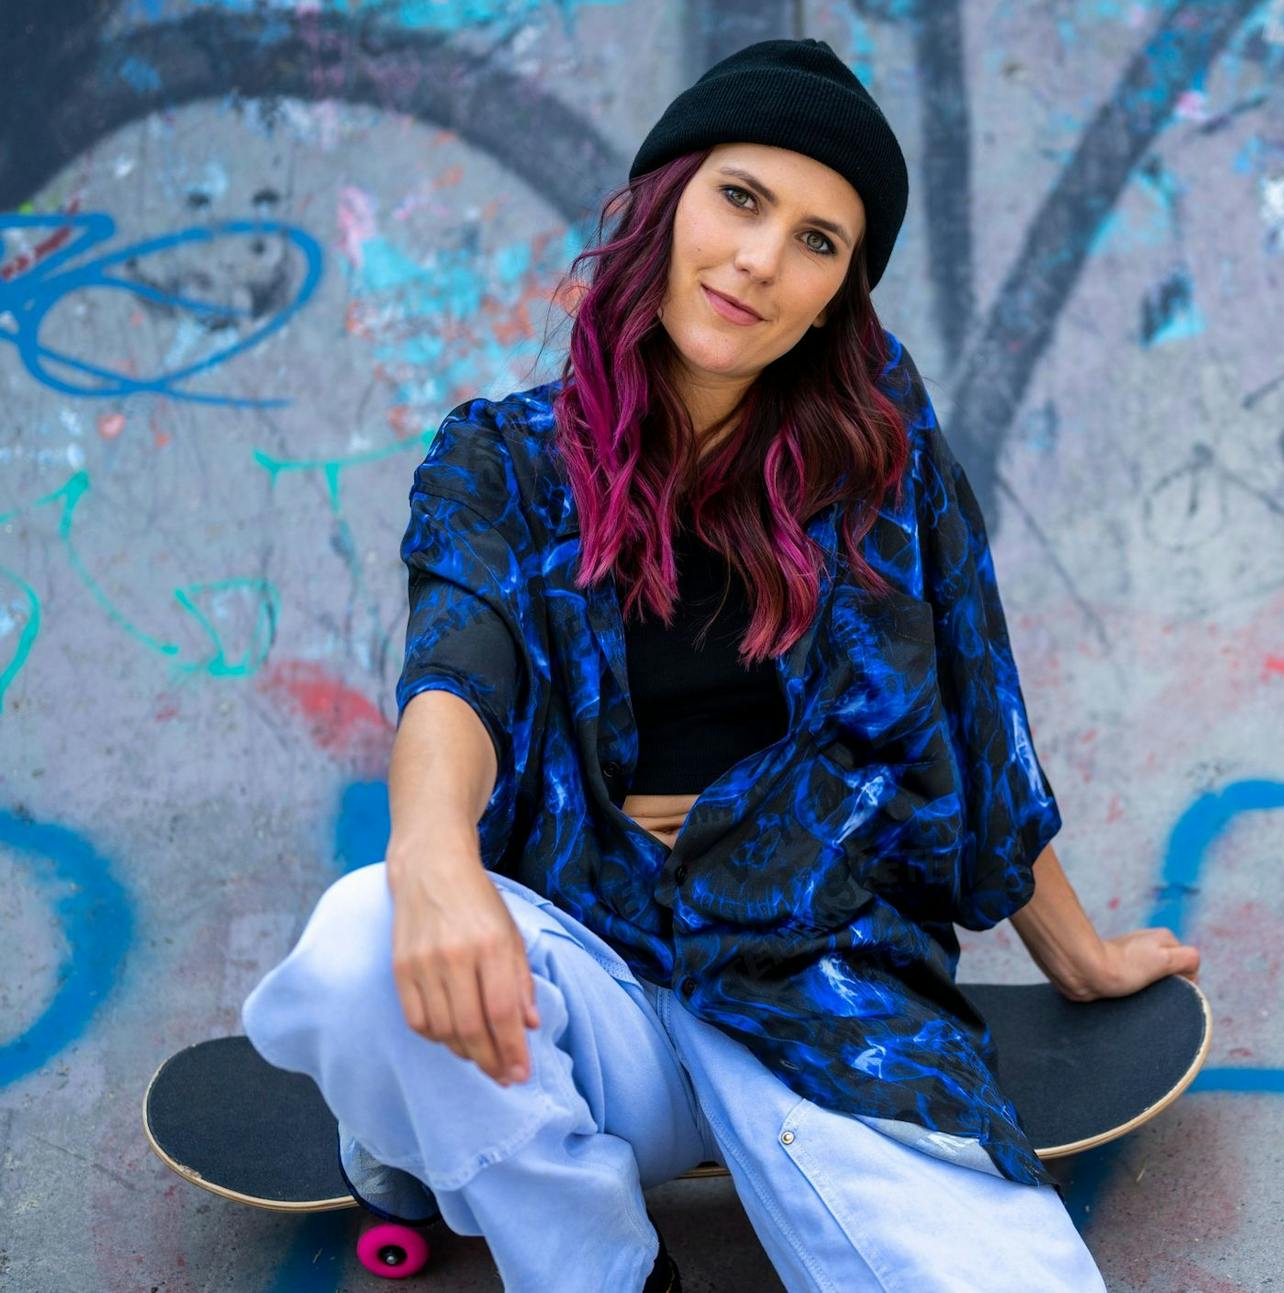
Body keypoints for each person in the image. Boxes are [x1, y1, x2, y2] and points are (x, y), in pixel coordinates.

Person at [241, 36, 1200, 1293]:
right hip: (584, 1006)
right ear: (666, 201)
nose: (759, 259)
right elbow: (456, 673)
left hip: (823, 983)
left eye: (816, 241)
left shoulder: (879, 460)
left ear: (836, 294)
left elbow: (977, 710)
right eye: (740, 199)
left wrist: (1074, 951)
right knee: (359, 938)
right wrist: (430, 855)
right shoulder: (500, 462)